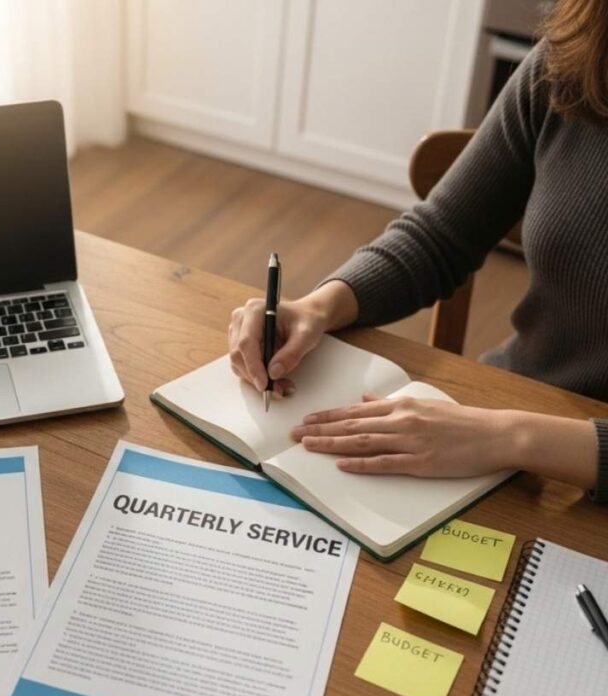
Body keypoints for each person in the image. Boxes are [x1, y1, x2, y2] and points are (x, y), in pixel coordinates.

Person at [227, 0, 607, 502]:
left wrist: (510, 437)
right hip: (506, 410)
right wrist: (317, 307)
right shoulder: (576, 60)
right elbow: (441, 233)